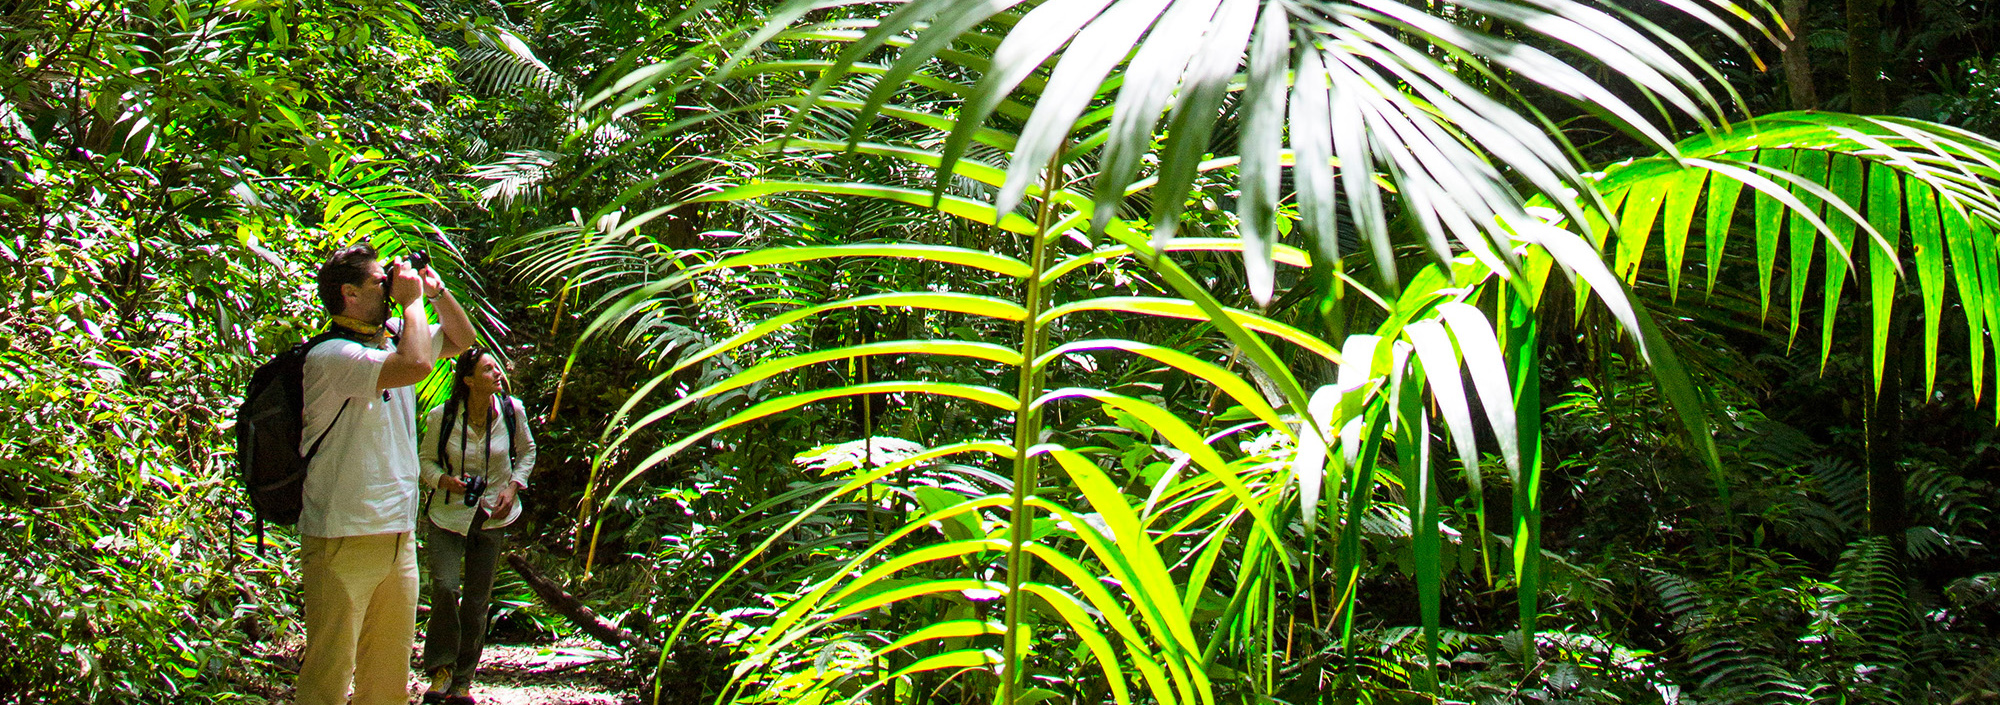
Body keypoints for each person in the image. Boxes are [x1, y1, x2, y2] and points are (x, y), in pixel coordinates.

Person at [296, 244, 475, 705]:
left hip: (397, 534)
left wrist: (433, 294)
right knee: (329, 674)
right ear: (349, 295)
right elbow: (415, 366)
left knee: (387, 679)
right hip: (342, 534)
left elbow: (461, 340)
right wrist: (412, 302)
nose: (393, 286)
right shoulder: (331, 356)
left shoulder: (394, 337)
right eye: (382, 281)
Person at [417, 347, 536, 704]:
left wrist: (513, 486)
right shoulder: (443, 416)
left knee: (477, 600)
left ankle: (463, 680)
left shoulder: (513, 412)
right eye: (488, 370)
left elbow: (527, 452)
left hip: (493, 516)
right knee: (445, 586)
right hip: (448, 513)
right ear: (468, 380)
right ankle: (441, 668)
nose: (497, 373)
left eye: (496, 367)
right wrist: (445, 481)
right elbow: (425, 461)